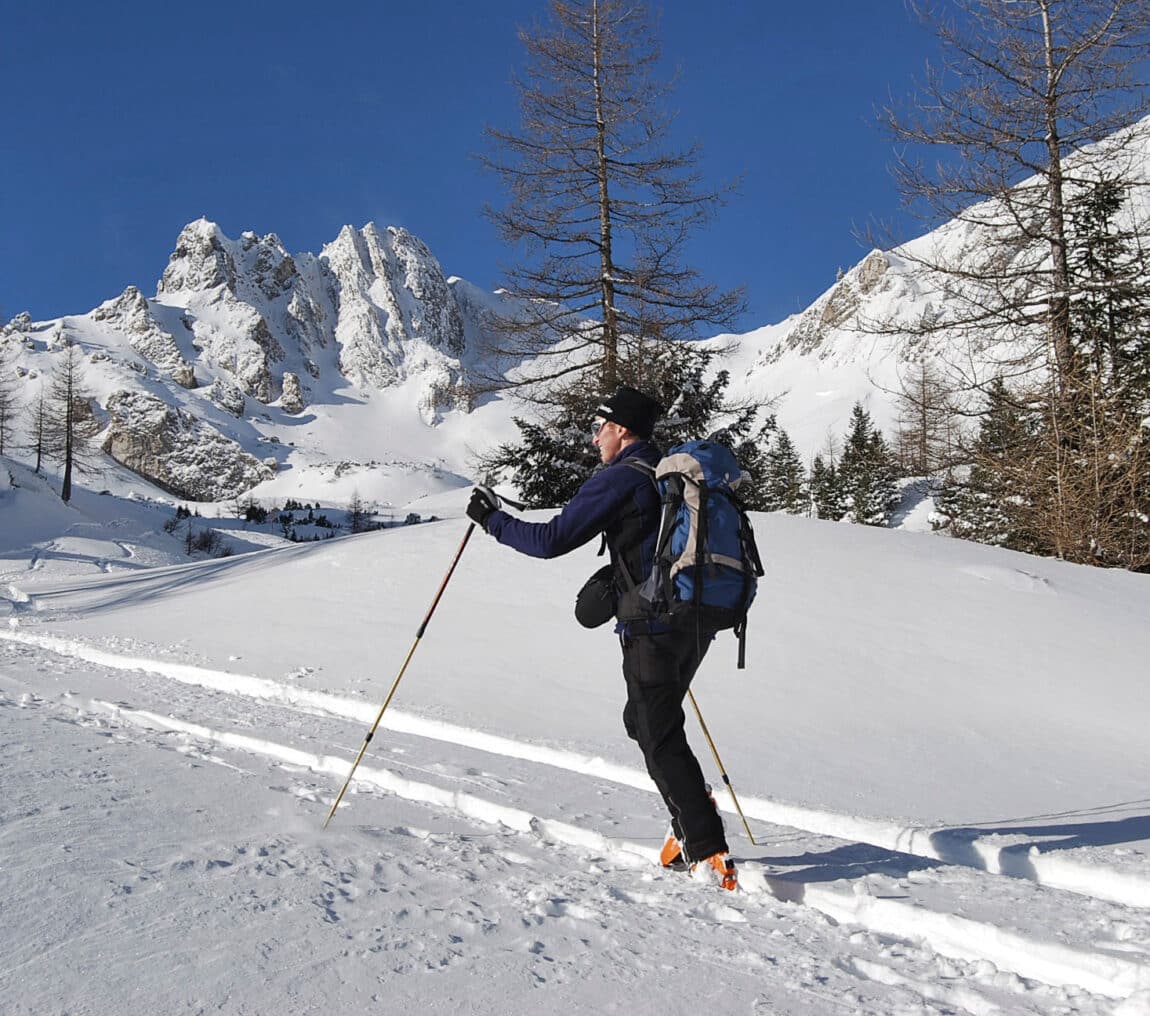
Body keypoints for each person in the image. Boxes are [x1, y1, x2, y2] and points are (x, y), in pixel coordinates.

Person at [466, 386, 736, 890]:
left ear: (622, 430)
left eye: (601, 427)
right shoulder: (665, 473)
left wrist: (491, 521)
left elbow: (549, 542)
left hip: (652, 623)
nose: (594, 438)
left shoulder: (621, 479)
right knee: (645, 720)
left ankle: (706, 847)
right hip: (697, 617)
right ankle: (690, 810)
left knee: (656, 732)